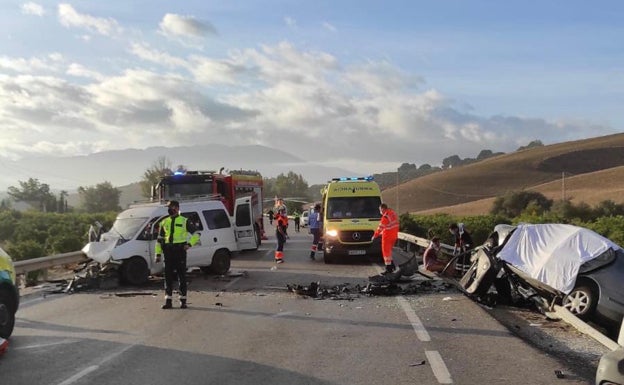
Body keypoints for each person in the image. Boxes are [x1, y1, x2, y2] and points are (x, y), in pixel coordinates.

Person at [155, 200, 200, 309]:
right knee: (168, 277)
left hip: (180, 251)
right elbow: (159, 240)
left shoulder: (185, 221)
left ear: (176, 208)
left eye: (171, 207)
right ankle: (168, 301)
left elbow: (197, 235)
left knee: (181, 276)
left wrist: (189, 244)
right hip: (168, 252)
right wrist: (158, 254)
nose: (169, 209)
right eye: (168, 207)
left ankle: (183, 300)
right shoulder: (164, 222)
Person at [371, 203, 399, 274]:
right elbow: (392, 225)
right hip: (394, 236)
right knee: (390, 252)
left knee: (386, 253)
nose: (380, 212)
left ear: (383, 209)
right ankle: (392, 266)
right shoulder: (392, 213)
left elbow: (380, 228)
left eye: (380, 210)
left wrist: (374, 236)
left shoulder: (385, 217)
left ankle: (388, 269)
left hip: (387, 237)